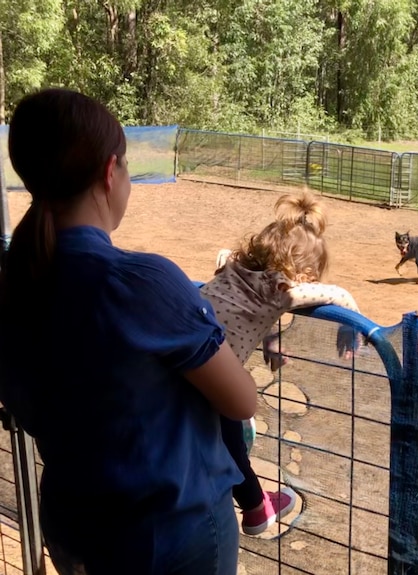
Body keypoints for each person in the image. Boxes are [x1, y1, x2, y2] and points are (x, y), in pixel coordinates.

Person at [0, 88, 259, 574]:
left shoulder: (16, 285)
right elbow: (242, 401)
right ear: (108, 173)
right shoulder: (143, 282)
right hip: (171, 535)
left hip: (74, 526)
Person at [200, 191, 363, 536]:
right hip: (212, 375)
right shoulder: (283, 288)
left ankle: (245, 496)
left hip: (184, 356)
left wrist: (271, 341)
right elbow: (337, 295)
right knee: (228, 434)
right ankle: (257, 508)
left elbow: (246, 310)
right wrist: (352, 324)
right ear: (303, 274)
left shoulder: (232, 265)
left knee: (219, 432)